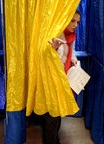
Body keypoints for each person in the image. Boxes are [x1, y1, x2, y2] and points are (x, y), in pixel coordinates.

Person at [38, 10, 80, 144]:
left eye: (78, 22)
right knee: (53, 114)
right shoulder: (55, 33)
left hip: (62, 78)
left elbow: (70, 53)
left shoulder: (71, 36)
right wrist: (54, 49)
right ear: (64, 18)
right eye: (73, 21)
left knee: (57, 113)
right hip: (51, 79)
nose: (76, 25)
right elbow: (44, 57)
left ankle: (55, 139)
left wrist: (73, 60)